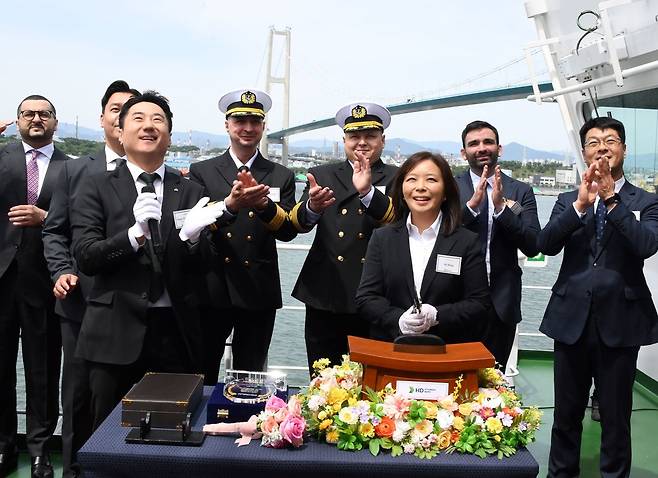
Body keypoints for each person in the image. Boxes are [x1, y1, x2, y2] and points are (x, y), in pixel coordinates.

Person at [70, 91, 233, 429]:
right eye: (138, 119)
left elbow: (206, 265)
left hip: (177, 332)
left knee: (172, 431)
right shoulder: (95, 186)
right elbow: (86, 256)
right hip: (113, 334)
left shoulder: (188, 189)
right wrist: (133, 235)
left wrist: (191, 239)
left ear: (170, 136)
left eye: (158, 120)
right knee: (105, 432)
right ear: (120, 131)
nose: (149, 126)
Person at [539, 116, 658, 478]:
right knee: (565, 416)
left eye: (609, 140)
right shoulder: (566, 200)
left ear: (623, 148)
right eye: (593, 142)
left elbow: (646, 245)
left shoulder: (646, 201)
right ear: (584, 151)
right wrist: (579, 206)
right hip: (570, 320)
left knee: (617, 418)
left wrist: (610, 198)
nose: (601, 147)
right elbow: (545, 245)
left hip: (621, 322)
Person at [42, 80, 139, 478]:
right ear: (102, 118)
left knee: (129, 398)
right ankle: (75, 470)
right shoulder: (74, 170)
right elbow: (54, 231)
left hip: (130, 306)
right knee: (78, 395)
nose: (122, 116)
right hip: (82, 301)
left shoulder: (152, 172)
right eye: (115, 109)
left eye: (131, 110)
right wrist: (62, 270)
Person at [189, 89, 296, 379]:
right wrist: (230, 206)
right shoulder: (202, 171)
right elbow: (192, 226)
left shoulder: (280, 175)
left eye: (255, 121)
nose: (248, 128)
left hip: (257, 288)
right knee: (203, 370)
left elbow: (287, 231)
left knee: (251, 376)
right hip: (213, 286)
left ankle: (244, 426)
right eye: (240, 121)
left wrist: (263, 206)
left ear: (263, 127)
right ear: (227, 125)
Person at [289, 102, 398, 372]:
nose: (361, 142)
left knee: (371, 378)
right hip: (326, 289)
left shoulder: (399, 176)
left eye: (370, 136)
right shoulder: (324, 174)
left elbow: (399, 222)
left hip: (375, 291)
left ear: (382, 141)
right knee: (321, 374)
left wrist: (369, 193)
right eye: (354, 137)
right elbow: (298, 224)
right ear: (344, 141)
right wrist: (313, 207)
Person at [0, 95, 68, 478]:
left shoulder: (71, 169)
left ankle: (41, 449)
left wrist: (47, 216)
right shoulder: (1, 158)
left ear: (55, 122)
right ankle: (3, 444)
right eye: (28, 113)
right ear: (18, 120)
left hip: (45, 281)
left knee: (43, 369)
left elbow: (77, 220)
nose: (36, 119)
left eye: (44, 113)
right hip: (2, 279)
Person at [356, 151, 490, 342]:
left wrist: (437, 315)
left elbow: (479, 303)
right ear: (402, 190)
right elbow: (366, 298)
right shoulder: (382, 238)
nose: (420, 187)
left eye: (431, 180)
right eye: (411, 179)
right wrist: (398, 320)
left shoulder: (466, 241)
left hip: (446, 353)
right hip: (390, 350)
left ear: (445, 192)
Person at [455, 120, 540, 368]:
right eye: (474, 144)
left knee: (494, 378)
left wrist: (502, 209)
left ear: (499, 148)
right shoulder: (449, 187)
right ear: (464, 153)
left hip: (501, 303)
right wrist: (471, 207)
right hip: (455, 299)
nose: (481, 148)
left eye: (488, 142)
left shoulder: (521, 190)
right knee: (453, 378)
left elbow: (533, 245)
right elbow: (441, 234)